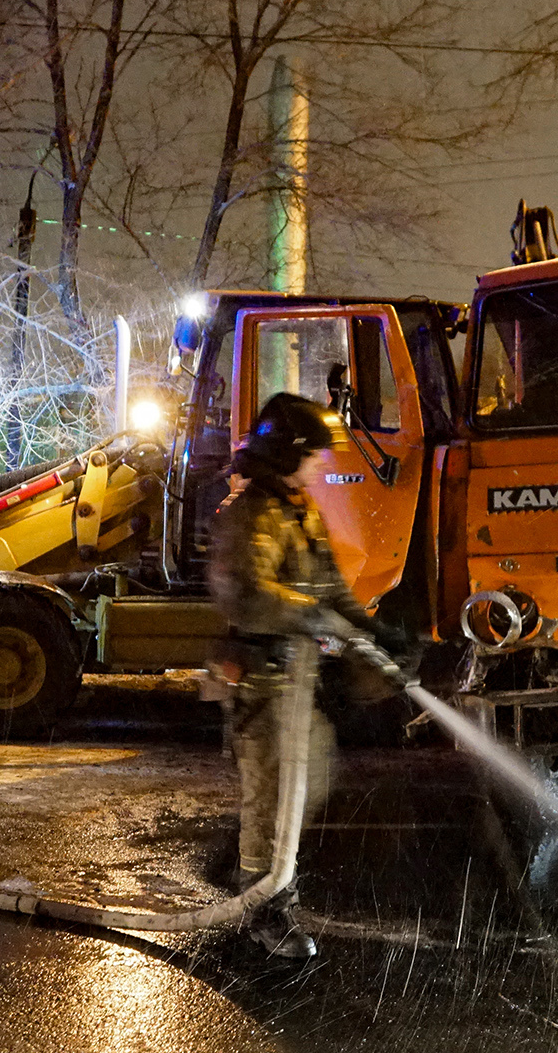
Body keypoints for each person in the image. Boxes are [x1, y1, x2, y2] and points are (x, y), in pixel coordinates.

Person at [206, 392, 378, 960]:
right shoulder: (252, 513)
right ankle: (263, 907)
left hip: (293, 674)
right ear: (286, 453)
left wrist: (373, 638)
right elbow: (245, 594)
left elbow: (330, 586)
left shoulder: (297, 509)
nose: (320, 466)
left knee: (310, 776)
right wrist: (312, 615)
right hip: (260, 676)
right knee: (273, 792)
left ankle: (257, 872)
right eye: (314, 455)